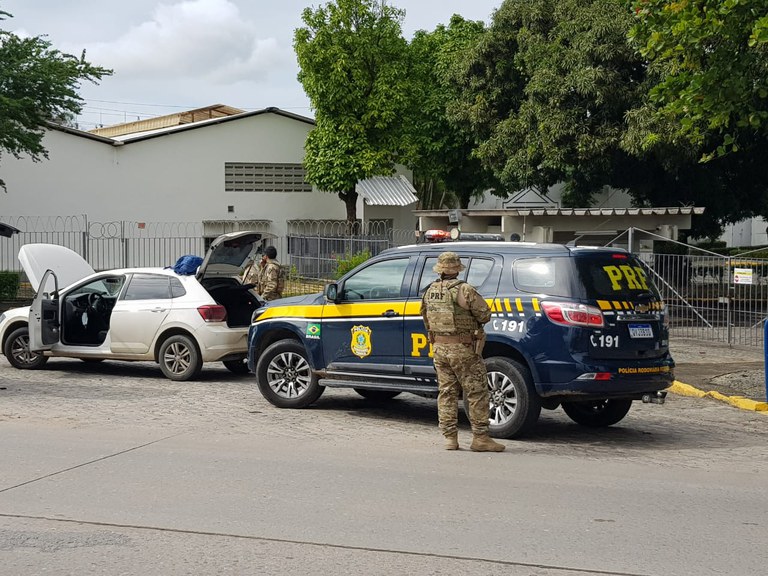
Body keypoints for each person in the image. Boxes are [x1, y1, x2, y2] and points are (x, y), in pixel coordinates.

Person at [420, 251, 505, 452]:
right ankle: (480, 438)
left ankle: (450, 438)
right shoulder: (465, 290)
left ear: (439, 269)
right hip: (463, 349)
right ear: (457, 269)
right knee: (476, 391)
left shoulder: (429, 290)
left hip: (439, 349)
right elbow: (484, 315)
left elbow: (425, 317)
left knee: (447, 392)